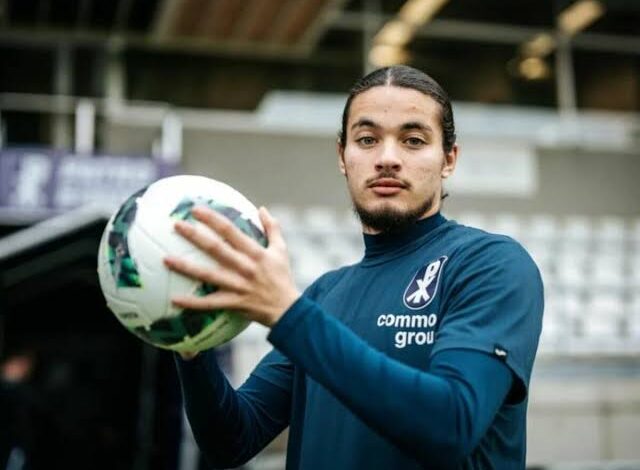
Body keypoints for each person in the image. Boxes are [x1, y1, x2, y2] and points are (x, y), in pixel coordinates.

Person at [165, 65, 544, 469]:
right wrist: (192, 345)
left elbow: (451, 425)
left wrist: (288, 315)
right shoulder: (324, 296)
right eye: (367, 140)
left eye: (413, 141)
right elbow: (232, 439)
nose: (387, 159)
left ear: (448, 159)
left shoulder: (490, 265)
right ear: (342, 156)